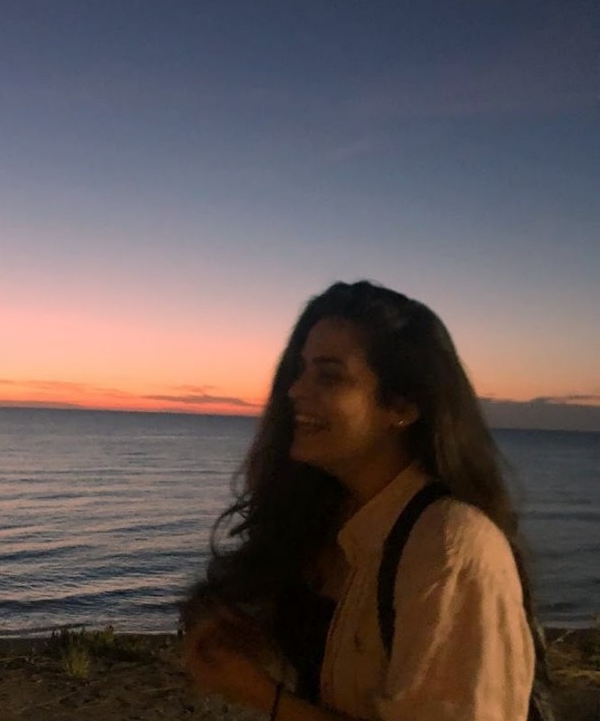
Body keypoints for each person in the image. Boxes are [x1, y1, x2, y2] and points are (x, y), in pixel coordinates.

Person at [181, 280, 549, 720]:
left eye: (329, 375)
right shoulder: (333, 517)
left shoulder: (449, 548)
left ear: (403, 407)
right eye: (300, 369)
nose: (295, 390)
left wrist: (264, 695)